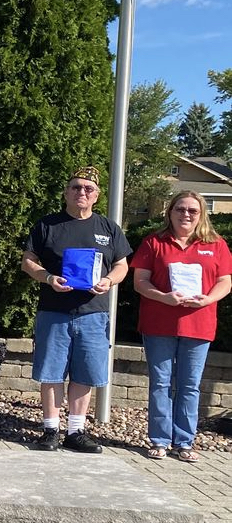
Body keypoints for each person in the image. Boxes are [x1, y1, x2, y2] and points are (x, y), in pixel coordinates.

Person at [21, 165, 131, 454]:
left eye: (88, 188)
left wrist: (108, 280)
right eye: (76, 187)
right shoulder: (47, 225)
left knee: (84, 373)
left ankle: (76, 431)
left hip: (94, 313)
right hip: (54, 311)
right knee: (51, 372)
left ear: (96, 195)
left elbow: (122, 265)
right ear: (66, 192)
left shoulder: (108, 228)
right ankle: (50, 430)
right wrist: (47, 278)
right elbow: (28, 261)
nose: (81, 192)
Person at [131, 190, 231, 462]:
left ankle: (185, 442)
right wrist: (164, 297)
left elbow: (225, 282)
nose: (186, 214)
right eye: (180, 209)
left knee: (189, 385)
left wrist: (207, 299)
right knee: (160, 383)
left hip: (199, 324)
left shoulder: (216, 244)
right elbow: (140, 281)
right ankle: (160, 440)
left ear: (201, 215)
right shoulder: (154, 242)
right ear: (170, 212)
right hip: (159, 323)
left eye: (192, 210)